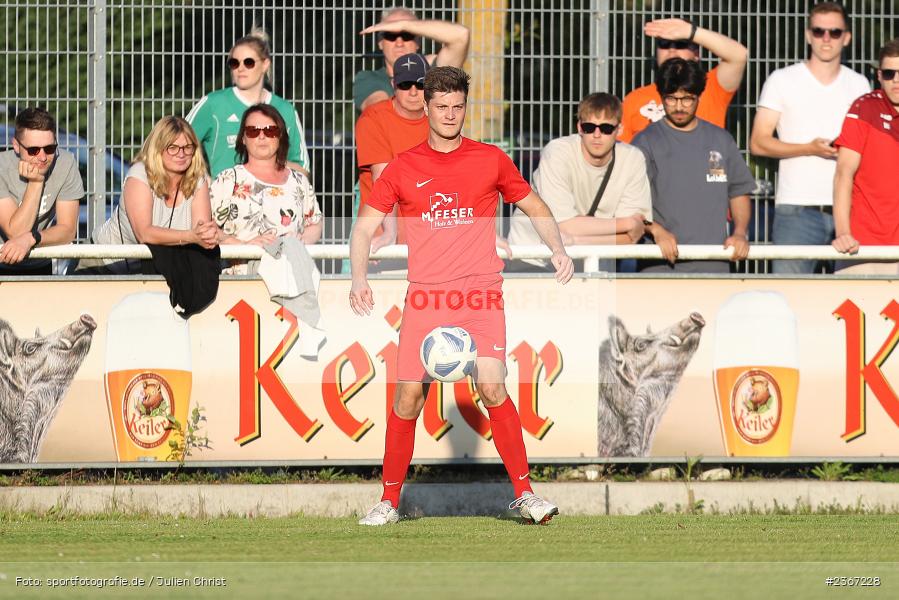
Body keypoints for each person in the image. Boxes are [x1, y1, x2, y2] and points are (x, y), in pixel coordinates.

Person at [349, 66, 573, 526]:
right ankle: (389, 502)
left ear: (464, 108)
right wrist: (358, 279)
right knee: (408, 397)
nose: (450, 115)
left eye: (458, 107)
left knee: (492, 385)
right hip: (426, 299)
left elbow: (533, 204)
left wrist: (558, 249)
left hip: (480, 295)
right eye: (442, 106)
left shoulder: (490, 158)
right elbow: (365, 226)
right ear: (426, 108)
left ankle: (526, 495)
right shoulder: (403, 167)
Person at [750, 2, 869, 274]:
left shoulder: (859, 84)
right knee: (789, 298)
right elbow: (758, 142)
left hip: (851, 210)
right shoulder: (782, 79)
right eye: (819, 31)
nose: (826, 39)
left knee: (854, 298)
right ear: (808, 35)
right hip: (796, 208)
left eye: (835, 32)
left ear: (847, 37)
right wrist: (808, 148)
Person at [632, 59, 755, 273]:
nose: (679, 106)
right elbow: (629, 202)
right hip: (659, 264)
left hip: (714, 262)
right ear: (661, 97)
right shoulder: (644, 142)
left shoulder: (721, 140)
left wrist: (740, 232)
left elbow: (739, 192)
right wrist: (657, 231)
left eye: (687, 99)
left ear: (699, 96)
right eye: (671, 99)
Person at [507, 92, 651, 272]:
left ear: (619, 129)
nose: (597, 135)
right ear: (579, 128)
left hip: (595, 262)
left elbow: (630, 239)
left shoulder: (633, 158)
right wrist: (627, 223)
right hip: (534, 258)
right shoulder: (558, 152)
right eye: (589, 127)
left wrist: (575, 240)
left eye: (606, 128)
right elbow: (562, 225)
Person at [76, 116, 218, 274]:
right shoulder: (139, 173)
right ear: (158, 149)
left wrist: (205, 236)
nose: (181, 153)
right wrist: (191, 236)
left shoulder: (199, 179)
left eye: (187, 147)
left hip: (153, 270)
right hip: (103, 264)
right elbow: (145, 233)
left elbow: (201, 233)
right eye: (173, 147)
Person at [211, 103, 322, 274]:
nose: (262, 136)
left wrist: (301, 240)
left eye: (270, 130)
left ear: (280, 136)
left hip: (291, 279)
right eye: (253, 131)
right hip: (240, 285)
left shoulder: (299, 181)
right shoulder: (228, 180)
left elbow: (315, 223)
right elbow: (207, 228)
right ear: (243, 138)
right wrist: (244, 247)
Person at [187, 27, 310, 179]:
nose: (240, 68)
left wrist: (269, 165)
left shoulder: (285, 110)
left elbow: (303, 169)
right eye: (234, 63)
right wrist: (203, 183)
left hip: (273, 201)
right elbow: (176, 143)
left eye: (249, 62)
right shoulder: (213, 104)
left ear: (265, 64)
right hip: (223, 201)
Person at [619, 18, 748, 143]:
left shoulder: (711, 87)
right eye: (664, 44)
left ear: (696, 54)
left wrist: (691, 32)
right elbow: (622, 153)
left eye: (681, 43)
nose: (672, 50)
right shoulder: (635, 99)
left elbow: (739, 55)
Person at [832, 39, 899, 273]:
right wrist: (842, 233)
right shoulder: (863, 108)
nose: (896, 81)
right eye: (890, 73)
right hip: (861, 247)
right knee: (850, 310)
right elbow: (843, 173)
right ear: (879, 75)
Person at [356, 52, 430, 255]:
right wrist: (390, 232)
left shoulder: (441, 118)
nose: (413, 92)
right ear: (393, 84)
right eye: (406, 85)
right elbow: (384, 179)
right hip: (384, 238)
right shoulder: (374, 118)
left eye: (421, 84)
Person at [0, 107, 83, 275]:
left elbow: (67, 231)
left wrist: (32, 238)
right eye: (33, 150)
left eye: (50, 148)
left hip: (40, 258)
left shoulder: (65, 163)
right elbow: (15, 233)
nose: (43, 157)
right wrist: (36, 182)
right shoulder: (1, 168)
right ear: (16, 145)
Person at [354, 6, 470, 113]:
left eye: (407, 35)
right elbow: (382, 113)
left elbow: (461, 35)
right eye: (391, 36)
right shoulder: (368, 79)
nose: (399, 43)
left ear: (418, 42)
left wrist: (405, 25)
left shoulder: (433, 72)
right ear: (380, 43)